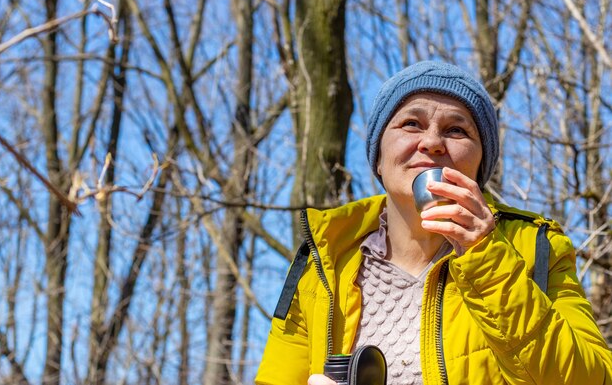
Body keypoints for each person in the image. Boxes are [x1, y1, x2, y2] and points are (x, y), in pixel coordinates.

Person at [255, 61, 612, 385]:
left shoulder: (536, 247)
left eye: (457, 131)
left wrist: (485, 257)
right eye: (411, 124)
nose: (432, 142)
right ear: (378, 158)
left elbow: (591, 378)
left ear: (480, 166)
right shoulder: (324, 259)